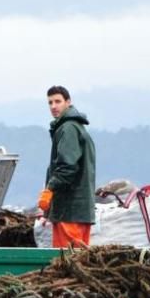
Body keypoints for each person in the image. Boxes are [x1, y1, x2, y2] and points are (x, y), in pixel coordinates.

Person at [39, 85, 96, 247]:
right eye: (50, 103)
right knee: (81, 261)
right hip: (80, 211)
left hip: (69, 211)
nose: (53, 106)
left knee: (66, 265)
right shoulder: (76, 127)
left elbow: (67, 167)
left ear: (68, 102)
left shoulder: (68, 128)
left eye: (58, 101)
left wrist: (49, 189)